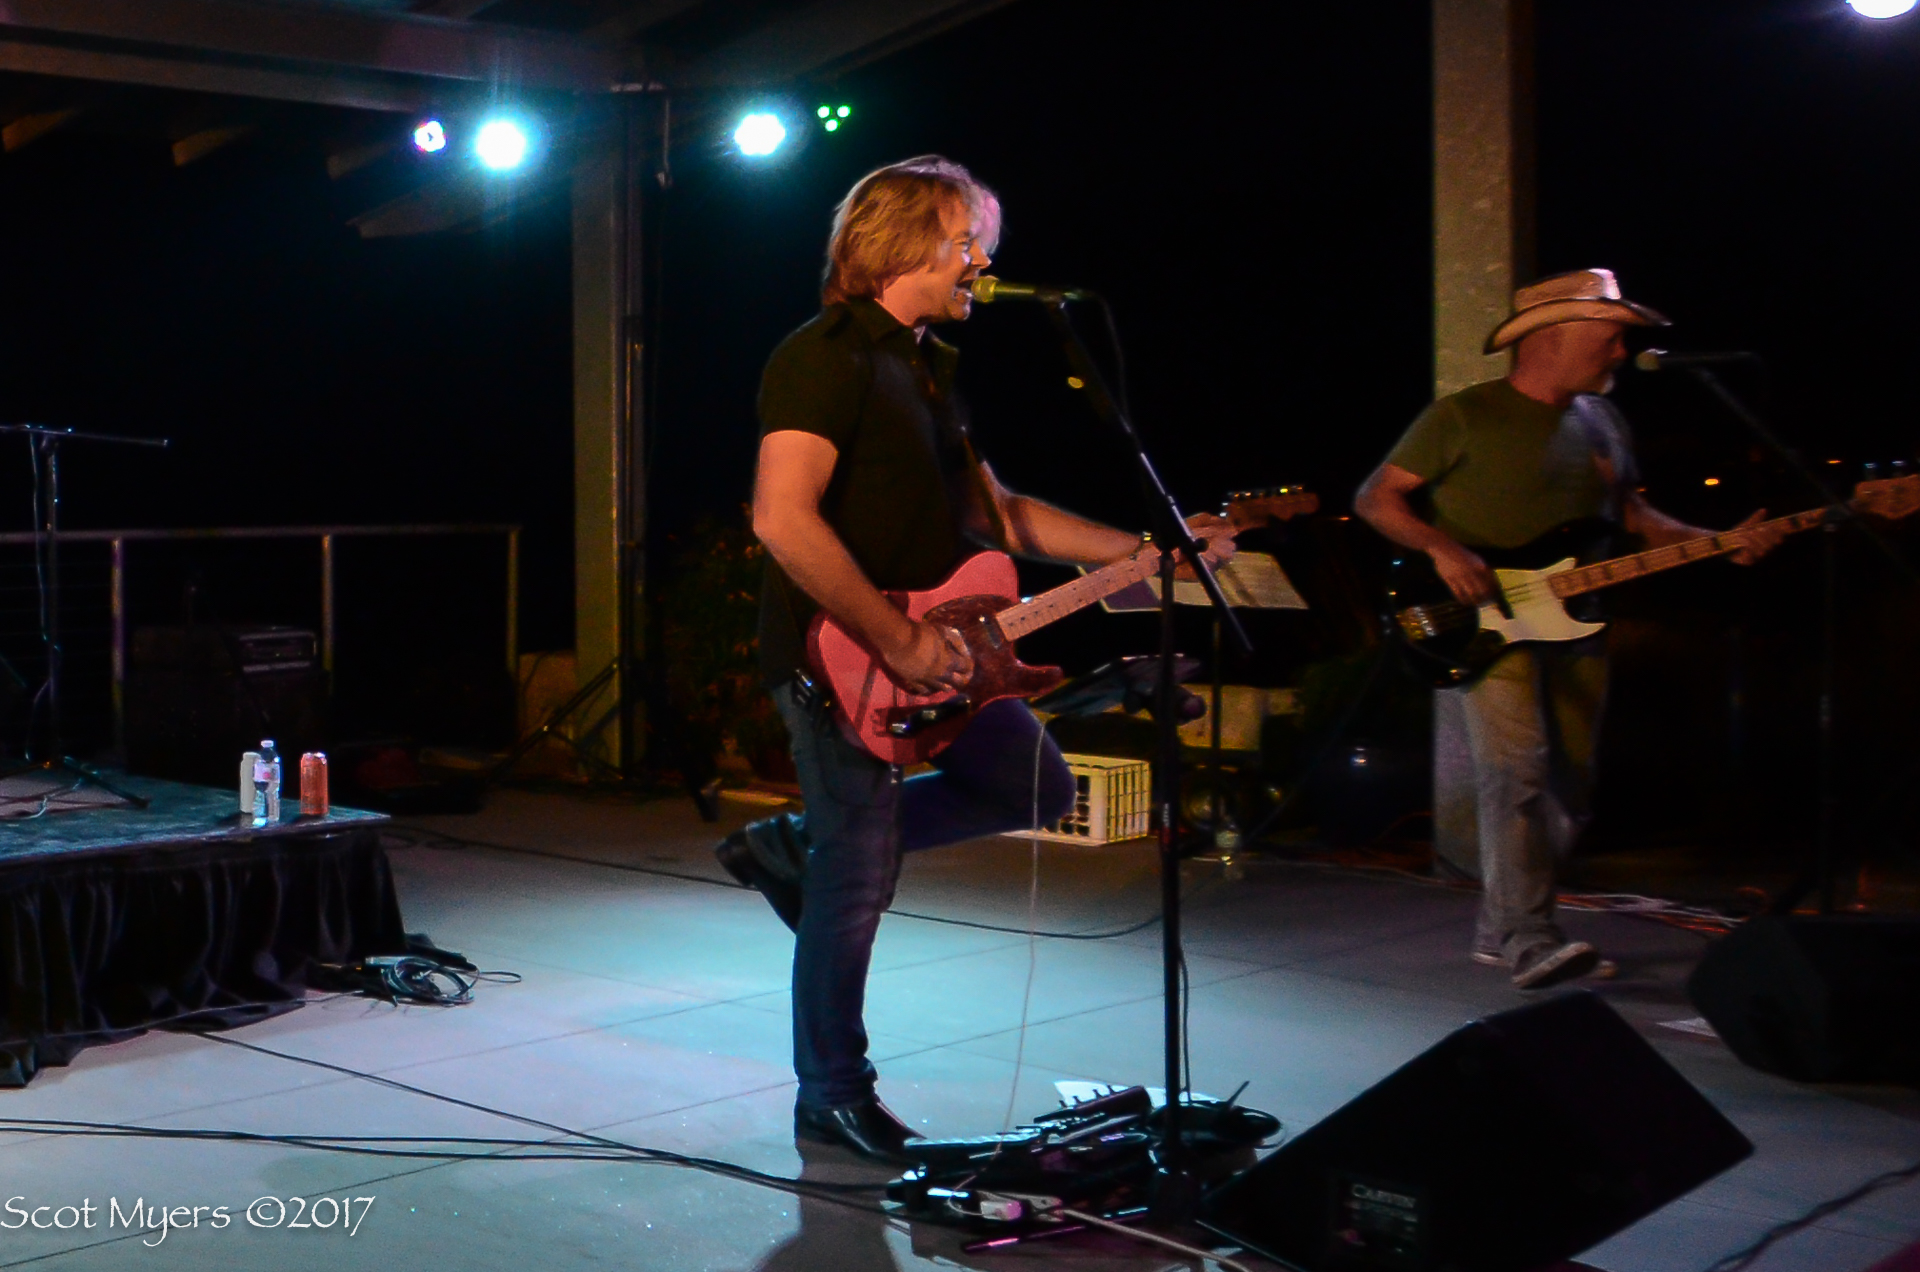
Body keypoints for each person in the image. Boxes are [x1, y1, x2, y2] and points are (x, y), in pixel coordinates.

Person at [715, 156, 1236, 1161]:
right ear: (901, 245)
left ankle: (798, 844)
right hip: (840, 656)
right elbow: (782, 518)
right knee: (854, 882)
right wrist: (896, 637)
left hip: (944, 644)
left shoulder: (927, 368)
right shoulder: (823, 357)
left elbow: (1001, 516)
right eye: (967, 242)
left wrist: (1149, 552)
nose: (983, 264)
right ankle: (831, 1093)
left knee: (1032, 783)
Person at [1354, 268, 1784, 990]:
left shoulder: (1603, 423)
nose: (1622, 352)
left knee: (1571, 788)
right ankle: (1528, 937)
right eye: (1610, 337)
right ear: (1553, 337)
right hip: (1487, 625)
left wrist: (1719, 542)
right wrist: (1442, 548)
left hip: (1580, 621)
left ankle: (1501, 926)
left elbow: (1635, 519)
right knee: (1516, 772)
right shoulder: (1464, 415)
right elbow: (1376, 498)